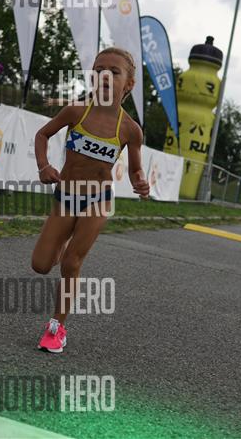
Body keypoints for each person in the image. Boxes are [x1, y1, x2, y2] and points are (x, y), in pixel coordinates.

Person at [30, 47, 150, 354]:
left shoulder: (130, 130)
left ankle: (56, 327)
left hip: (98, 199)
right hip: (66, 195)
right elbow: (42, 135)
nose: (104, 76)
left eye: (113, 72)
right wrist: (44, 166)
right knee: (41, 265)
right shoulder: (76, 111)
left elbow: (135, 169)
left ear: (129, 84)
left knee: (72, 262)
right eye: (98, 71)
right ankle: (59, 243)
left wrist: (140, 181)